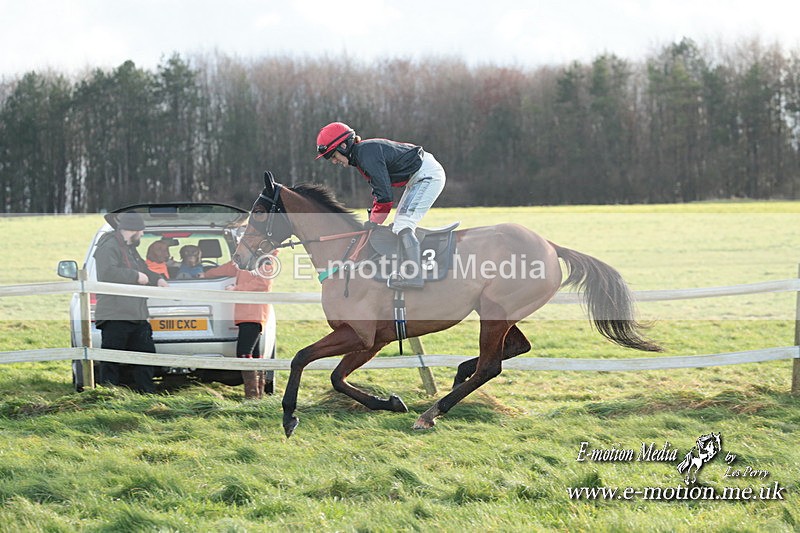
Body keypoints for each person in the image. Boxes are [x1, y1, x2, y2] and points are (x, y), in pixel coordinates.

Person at [315, 122, 446, 289]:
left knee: (403, 224)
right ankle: (405, 268)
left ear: (344, 146)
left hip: (427, 175)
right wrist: (374, 218)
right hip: (419, 176)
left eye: (333, 155)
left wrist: (374, 222)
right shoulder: (362, 154)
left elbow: (385, 197)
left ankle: (415, 276)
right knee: (398, 225)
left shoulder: (366, 155)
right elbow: (379, 191)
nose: (334, 161)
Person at [94, 211, 168, 393]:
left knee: (146, 356)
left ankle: (147, 394)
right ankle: (108, 395)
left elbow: (144, 269)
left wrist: (157, 279)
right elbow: (107, 273)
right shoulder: (108, 246)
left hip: (136, 314)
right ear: (133, 230)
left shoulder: (129, 249)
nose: (142, 234)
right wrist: (135, 276)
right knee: (112, 359)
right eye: (141, 231)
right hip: (115, 314)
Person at [205, 252, 278, 399]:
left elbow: (264, 283)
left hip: (254, 313)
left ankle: (252, 396)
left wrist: (236, 289)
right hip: (248, 314)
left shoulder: (265, 260)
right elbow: (229, 268)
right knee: (255, 355)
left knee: (244, 353)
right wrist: (205, 274)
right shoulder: (248, 258)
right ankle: (256, 397)